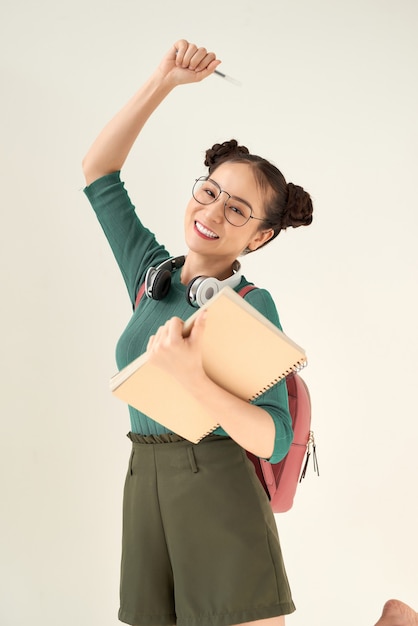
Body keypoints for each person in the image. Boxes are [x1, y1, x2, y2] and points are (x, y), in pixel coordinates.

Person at [82, 40, 313, 626]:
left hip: (216, 484)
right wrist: (163, 80)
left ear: (259, 237)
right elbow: (99, 172)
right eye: (209, 191)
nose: (212, 213)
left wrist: (193, 381)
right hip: (145, 481)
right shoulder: (150, 274)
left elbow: (274, 439)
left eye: (238, 210)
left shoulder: (251, 305)